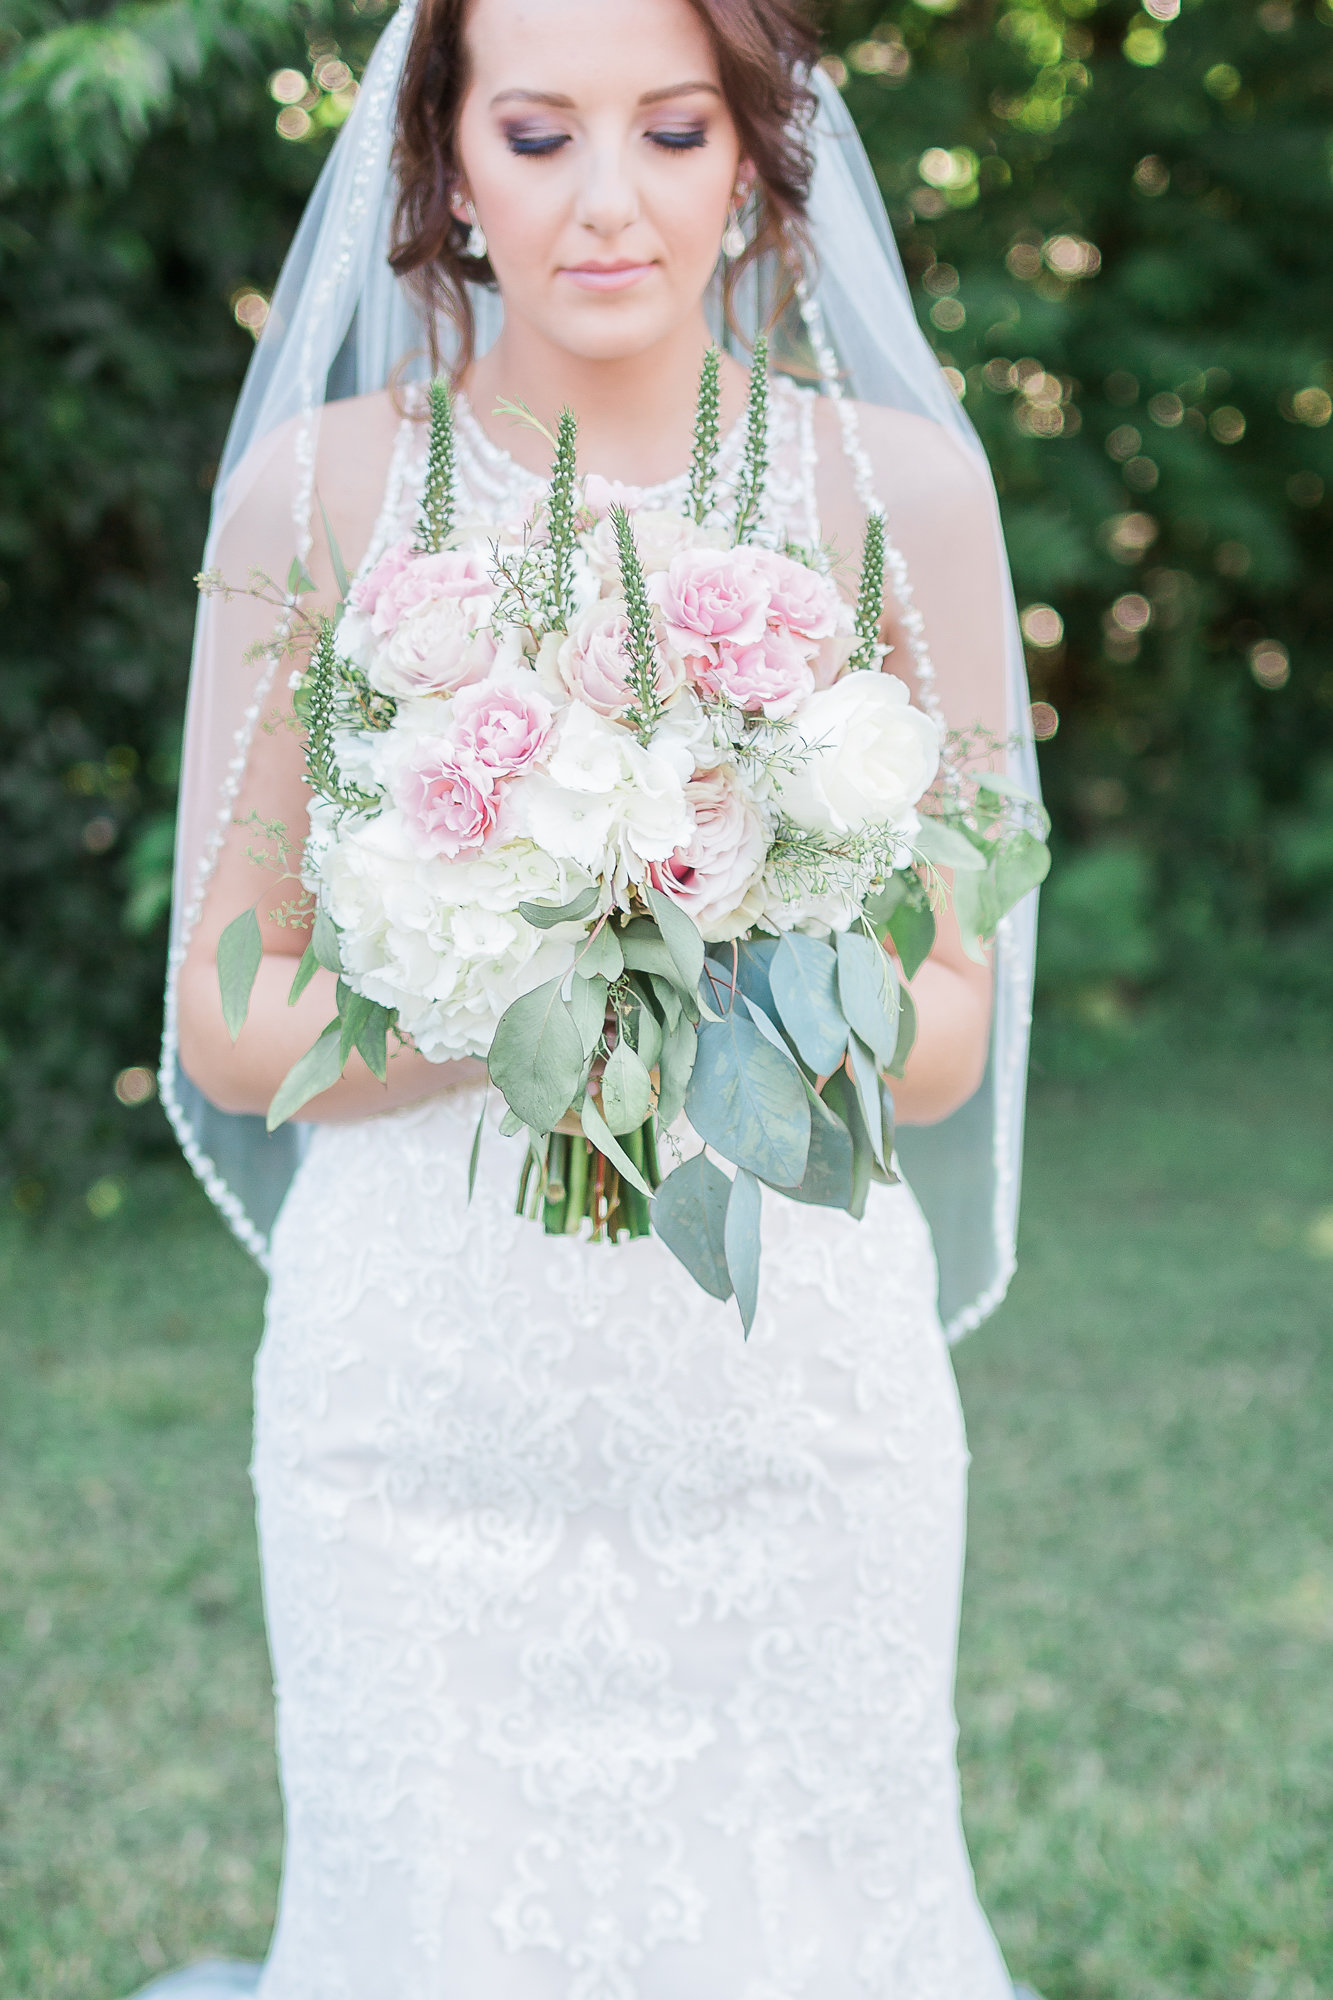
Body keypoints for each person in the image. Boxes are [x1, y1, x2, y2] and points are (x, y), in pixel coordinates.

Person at [146, 0, 1043, 1993]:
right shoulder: (318, 493)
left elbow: (956, 1014)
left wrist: (720, 920)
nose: (609, 203)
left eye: (672, 132)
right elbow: (232, 1016)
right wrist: (531, 959)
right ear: (441, 160)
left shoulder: (905, 491)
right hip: (423, 1390)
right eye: (539, 137)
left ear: (755, 155)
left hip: (787, 1382)